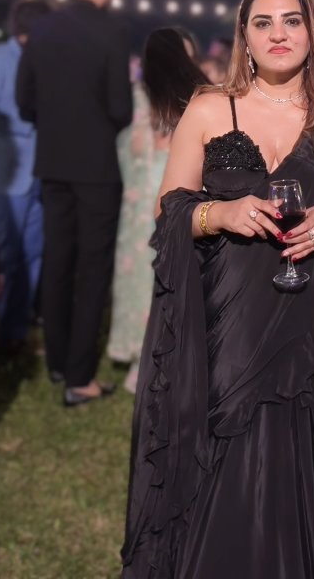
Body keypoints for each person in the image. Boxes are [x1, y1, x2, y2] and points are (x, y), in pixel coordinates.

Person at [121, 0, 314, 579]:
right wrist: (220, 213)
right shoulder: (210, 108)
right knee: (230, 449)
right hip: (231, 320)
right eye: (262, 23)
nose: (278, 34)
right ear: (244, 36)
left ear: (311, 30)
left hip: (313, 322)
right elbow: (169, 210)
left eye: (291, 21)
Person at [16, 0, 133, 405]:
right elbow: (121, 108)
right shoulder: (112, 30)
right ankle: (80, 379)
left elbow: (25, 98)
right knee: (93, 267)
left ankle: (57, 362)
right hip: (96, 167)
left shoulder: (43, 28)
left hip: (52, 162)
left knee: (58, 259)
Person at [108, 29, 209, 393]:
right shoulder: (195, 97)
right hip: (165, 193)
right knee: (156, 271)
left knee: (156, 272)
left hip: (160, 192)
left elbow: (131, 147)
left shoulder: (164, 96)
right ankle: (155, 354)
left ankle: (152, 357)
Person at [0, 0, 51, 354]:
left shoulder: (47, 62)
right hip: (4, 177)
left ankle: (13, 332)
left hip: (40, 175)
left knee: (33, 254)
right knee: (6, 256)